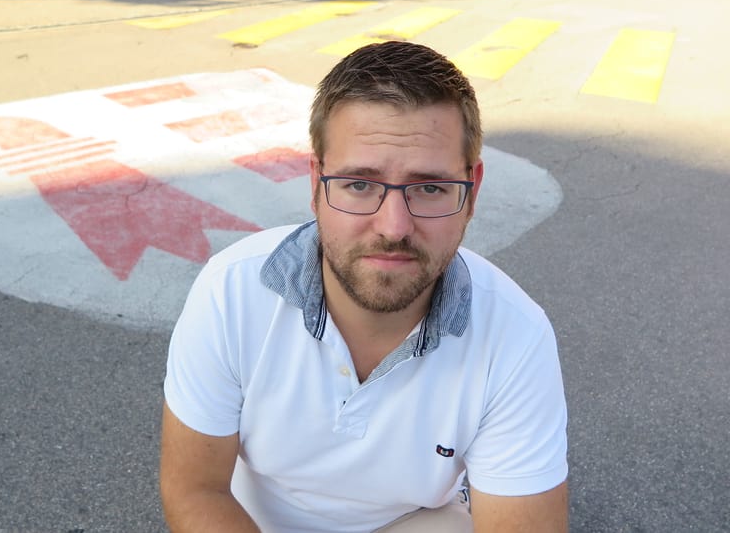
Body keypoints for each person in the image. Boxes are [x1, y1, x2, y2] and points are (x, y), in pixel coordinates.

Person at [160, 41, 568, 532]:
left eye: (430, 187)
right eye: (359, 184)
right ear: (315, 184)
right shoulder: (230, 292)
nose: (393, 227)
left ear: (472, 191)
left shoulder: (515, 336)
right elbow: (196, 489)